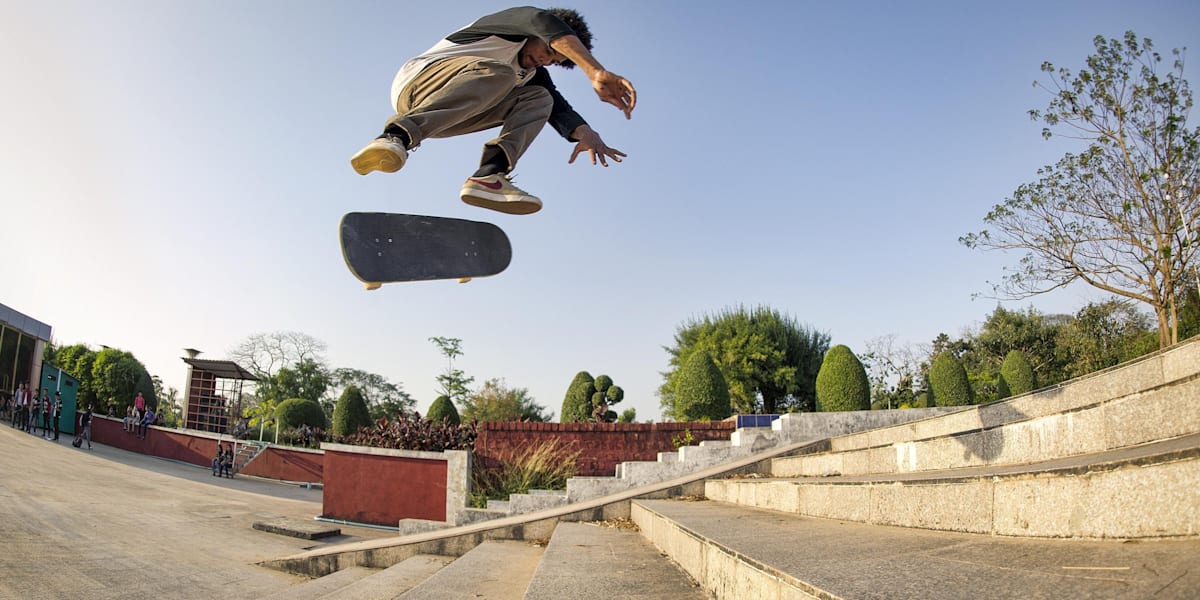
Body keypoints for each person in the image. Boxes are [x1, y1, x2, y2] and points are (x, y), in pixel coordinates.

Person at [350, 6, 636, 215]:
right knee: (501, 74)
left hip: (449, 114)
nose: (544, 61)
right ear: (541, 36)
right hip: (420, 84)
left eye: (552, 61)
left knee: (541, 97)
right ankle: (393, 137)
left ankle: (489, 176)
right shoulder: (514, 25)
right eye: (548, 51)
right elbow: (544, 22)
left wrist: (586, 134)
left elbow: (559, 107)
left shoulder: (531, 72)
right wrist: (595, 71)